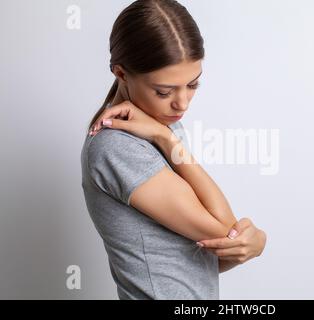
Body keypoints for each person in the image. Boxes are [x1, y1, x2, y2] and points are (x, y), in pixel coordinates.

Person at [81, 0, 266, 300]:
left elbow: (198, 258)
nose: (182, 103)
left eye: (193, 85)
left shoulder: (162, 122)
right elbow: (224, 228)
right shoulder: (116, 147)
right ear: (122, 73)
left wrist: (251, 245)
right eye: (164, 91)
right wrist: (164, 138)